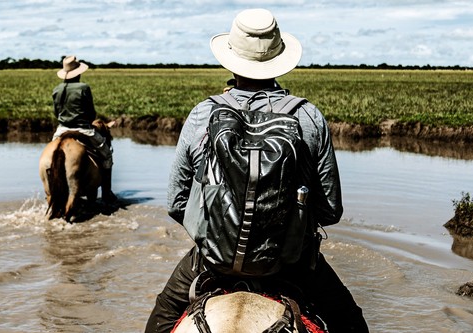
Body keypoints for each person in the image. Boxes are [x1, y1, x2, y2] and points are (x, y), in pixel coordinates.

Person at [145, 8, 369, 333]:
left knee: (160, 321)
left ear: (230, 58)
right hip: (290, 263)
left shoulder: (202, 114)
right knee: (352, 323)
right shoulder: (308, 117)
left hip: (212, 262)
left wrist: (216, 233)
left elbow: (176, 203)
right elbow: (330, 210)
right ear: (280, 57)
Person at [52, 55, 116, 203]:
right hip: (84, 130)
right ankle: (107, 193)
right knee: (107, 155)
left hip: (61, 130)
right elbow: (91, 112)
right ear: (78, 73)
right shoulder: (83, 88)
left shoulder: (57, 89)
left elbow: (56, 113)